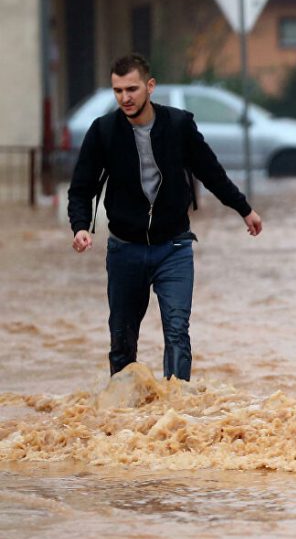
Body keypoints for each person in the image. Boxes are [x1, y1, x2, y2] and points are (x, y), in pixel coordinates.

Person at [68, 53, 264, 381]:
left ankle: (174, 413)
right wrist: (80, 227)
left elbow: (211, 172)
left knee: (177, 333)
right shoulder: (104, 131)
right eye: (118, 91)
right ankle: (124, 418)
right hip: (124, 249)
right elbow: (81, 187)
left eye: (131, 89)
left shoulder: (178, 125)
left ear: (150, 86)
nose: (125, 98)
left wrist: (244, 209)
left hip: (173, 247)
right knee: (121, 341)